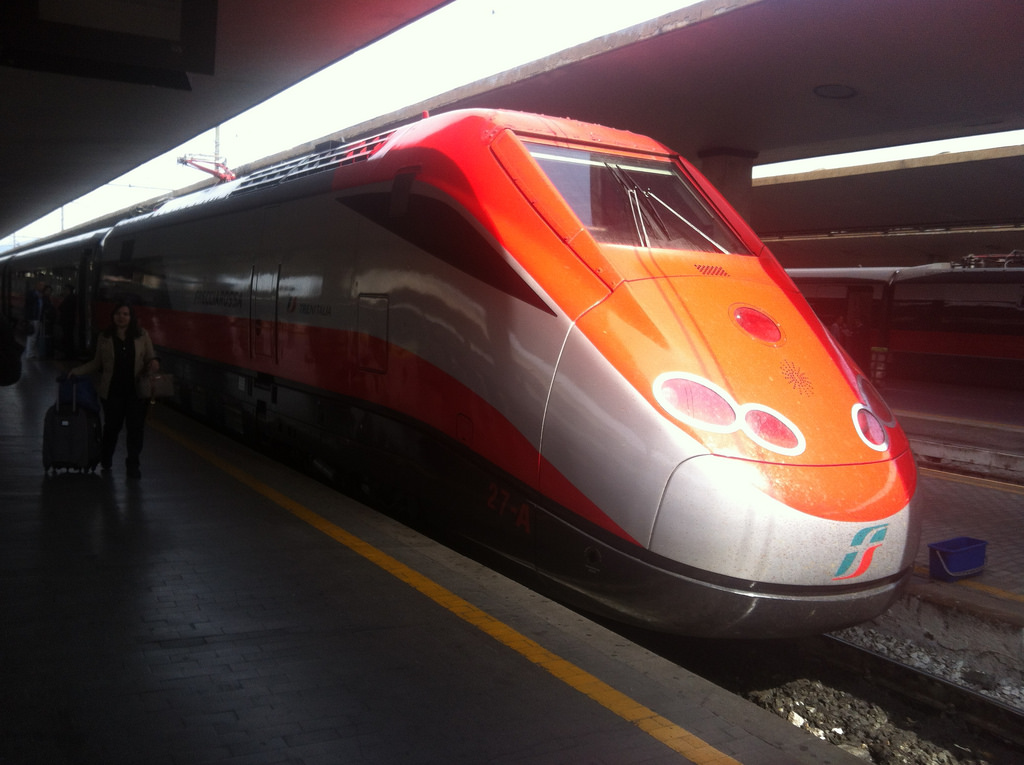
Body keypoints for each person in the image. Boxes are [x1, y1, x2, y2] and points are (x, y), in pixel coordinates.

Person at [70, 302, 160, 479]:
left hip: (136, 392)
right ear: (113, 316)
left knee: (135, 430)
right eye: (118, 313)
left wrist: (154, 363)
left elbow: (151, 357)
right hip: (112, 392)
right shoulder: (105, 336)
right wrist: (76, 371)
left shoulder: (142, 335)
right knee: (112, 428)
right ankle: (106, 458)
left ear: (131, 317)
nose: (122, 317)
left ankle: (133, 464)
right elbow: (97, 363)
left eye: (126, 314)